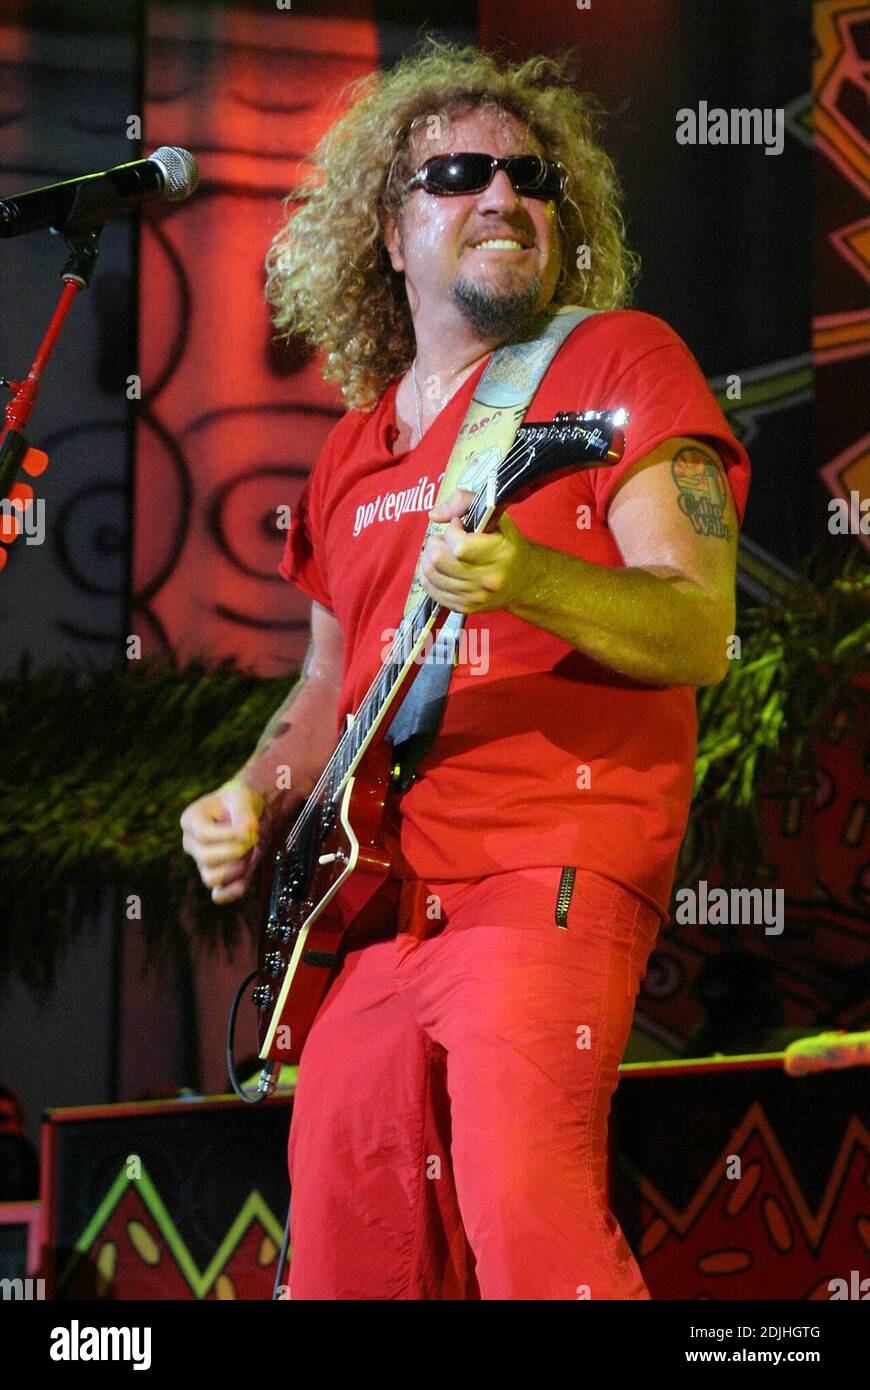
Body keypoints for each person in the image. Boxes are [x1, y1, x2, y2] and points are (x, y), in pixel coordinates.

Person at [180, 40, 750, 1300]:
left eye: (529, 175)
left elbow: (696, 630)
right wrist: (248, 792)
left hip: (545, 869)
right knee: (344, 1257)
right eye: (456, 172)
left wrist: (530, 580)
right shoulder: (351, 450)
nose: (502, 195)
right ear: (389, 230)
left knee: (528, 1224)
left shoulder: (617, 362)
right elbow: (327, 694)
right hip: (371, 911)